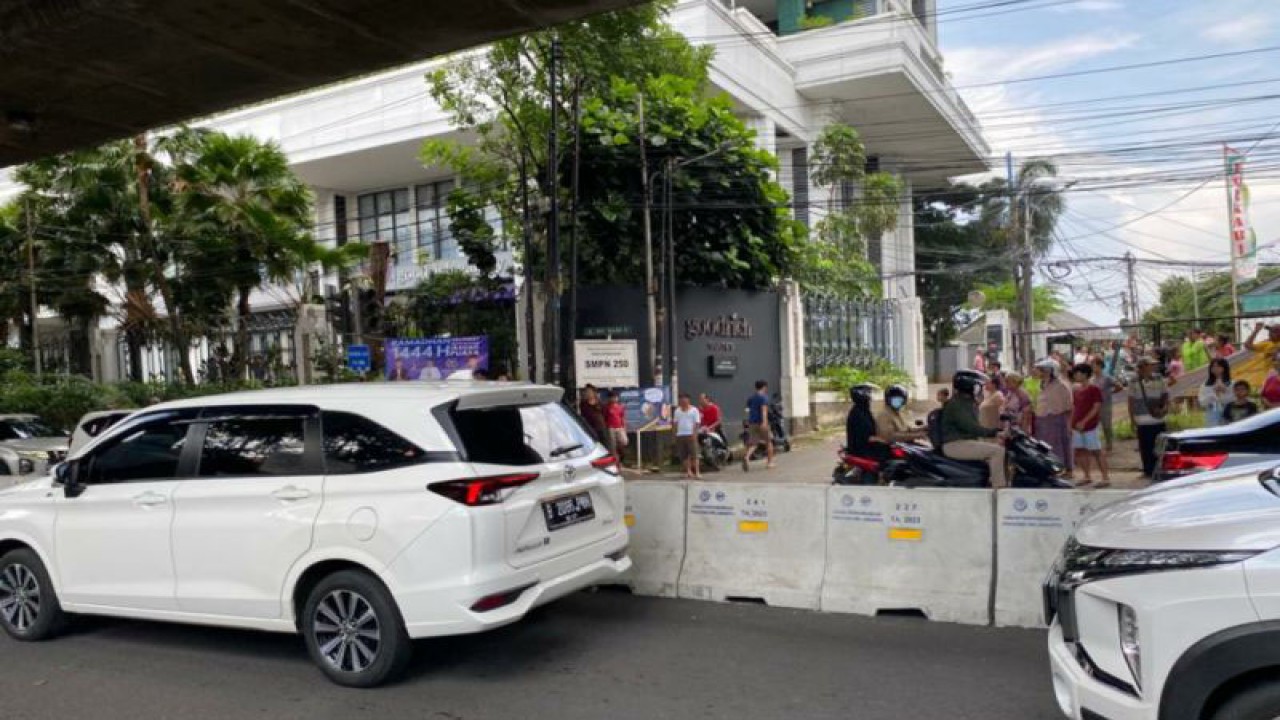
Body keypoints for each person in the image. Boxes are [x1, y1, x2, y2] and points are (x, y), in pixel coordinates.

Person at [940, 370, 1006, 488]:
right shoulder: (957, 405)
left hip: (963, 442)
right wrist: (994, 432)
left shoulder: (966, 402)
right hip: (955, 444)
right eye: (978, 386)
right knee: (997, 451)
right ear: (969, 386)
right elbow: (971, 427)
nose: (981, 389)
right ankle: (999, 490)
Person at [1129, 356, 1170, 480]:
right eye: (1150, 365)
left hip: (1158, 417)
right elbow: (1130, 400)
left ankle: (1160, 468)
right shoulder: (1134, 381)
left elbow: (1166, 394)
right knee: (1145, 446)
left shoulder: (1159, 378)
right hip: (1142, 418)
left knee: (1160, 445)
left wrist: (1165, 407)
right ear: (1143, 367)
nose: (1153, 367)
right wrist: (1132, 419)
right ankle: (1147, 470)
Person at [1070, 363, 1110, 488]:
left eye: (1078, 373)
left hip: (1090, 425)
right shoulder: (1076, 390)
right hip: (1076, 424)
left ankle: (1105, 477)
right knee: (1080, 450)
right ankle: (1087, 475)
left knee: (1096, 451)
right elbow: (1074, 407)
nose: (1076, 376)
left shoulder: (1094, 389)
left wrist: (1085, 421)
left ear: (1085, 374)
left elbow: (1096, 407)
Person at [1034, 359, 1074, 472]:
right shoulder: (1042, 384)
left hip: (1056, 419)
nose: (1039, 372)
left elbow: (1069, 406)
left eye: (1042, 370)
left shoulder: (1061, 385)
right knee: (1045, 445)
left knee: (1059, 444)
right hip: (1042, 419)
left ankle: (1065, 468)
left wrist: (1069, 423)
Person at [1090, 353, 1122, 452]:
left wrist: (1111, 392)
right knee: (1093, 426)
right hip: (1094, 406)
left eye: (1094, 365)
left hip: (1105, 405)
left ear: (1099, 365)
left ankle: (1109, 443)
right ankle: (1094, 445)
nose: (1092, 367)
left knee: (1106, 425)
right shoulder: (1091, 379)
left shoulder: (1106, 377)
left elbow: (1119, 386)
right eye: (1092, 365)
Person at [743, 380, 775, 471]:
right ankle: (770, 463)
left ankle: (747, 457)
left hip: (752, 422)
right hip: (761, 422)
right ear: (764, 387)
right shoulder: (763, 398)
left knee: (754, 443)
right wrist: (764, 422)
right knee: (769, 442)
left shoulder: (751, 398)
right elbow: (764, 410)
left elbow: (747, 409)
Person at [845, 384, 881, 457]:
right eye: (868, 393)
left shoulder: (863, 411)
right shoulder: (858, 414)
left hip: (866, 447)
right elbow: (867, 436)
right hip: (862, 450)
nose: (870, 397)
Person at [673, 394, 702, 479]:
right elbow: (675, 423)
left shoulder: (694, 410)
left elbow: (696, 423)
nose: (683, 402)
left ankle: (697, 472)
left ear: (688, 401)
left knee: (694, 454)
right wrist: (674, 435)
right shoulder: (677, 411)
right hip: (680, 435)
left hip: (690, 434)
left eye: (685, 400)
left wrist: (694, 434)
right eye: (681, 401)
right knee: (684, 455)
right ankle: (688, 471)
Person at [1198, 358, 1233, 427]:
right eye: (1213, 366)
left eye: (1218, 366)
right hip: (1212, 416)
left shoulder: (1232, 383)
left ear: (1224, 367)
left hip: (1228, 416)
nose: (1215, 368)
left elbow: (1234, 399)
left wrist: (1224, 390)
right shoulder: (1205, 385)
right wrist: (1213, 394)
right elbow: (1202, 402)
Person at [605, 391, 628, 456]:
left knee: (624, 441)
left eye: (615, 397)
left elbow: (622, 417)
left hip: (620, 427)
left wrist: (624, 427)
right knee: (612, 444)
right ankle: (615, 458)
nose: (614, 399)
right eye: (612, 397)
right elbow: (605, 417)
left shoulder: (620, 407)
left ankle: (620, 453)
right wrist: (607, 426)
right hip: (611, 428)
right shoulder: (606, 407)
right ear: (609, 398)